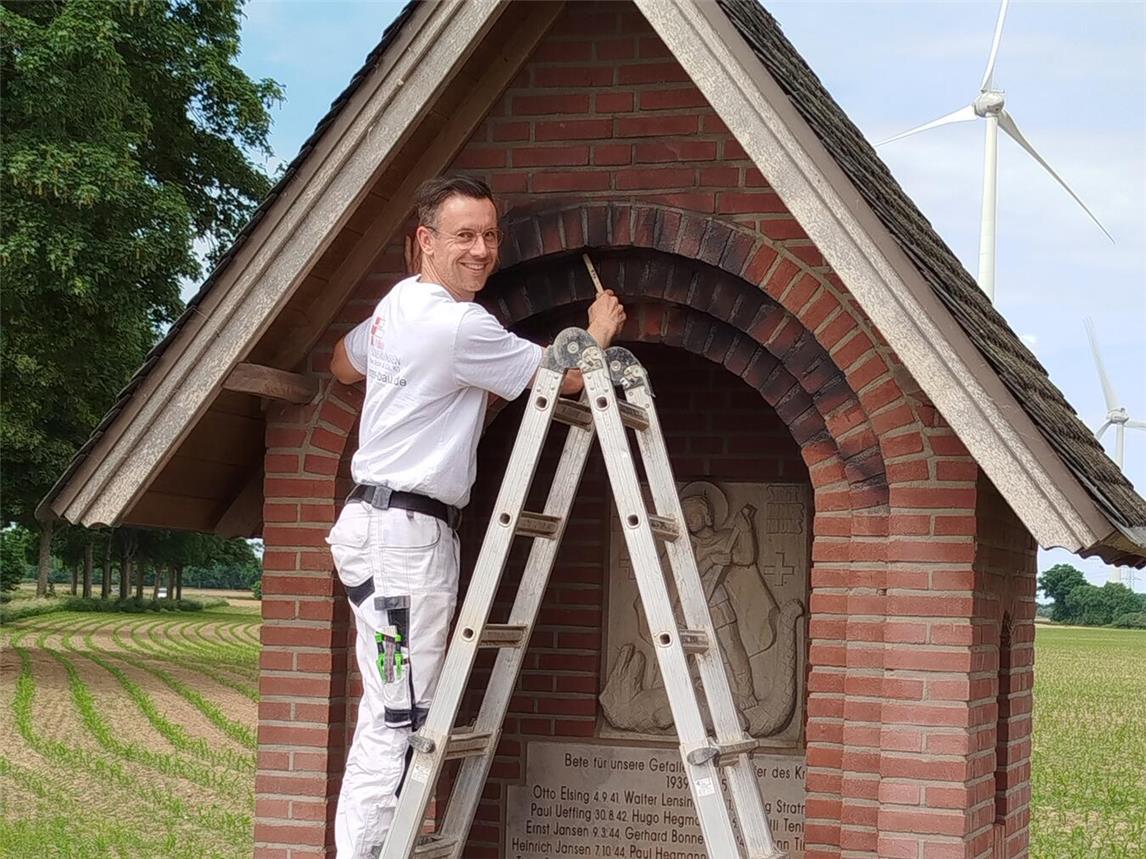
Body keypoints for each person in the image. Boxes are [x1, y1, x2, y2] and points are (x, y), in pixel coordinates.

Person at [325, 175, 625, 858]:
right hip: (403, 546)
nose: (483, 250)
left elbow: (343, 365)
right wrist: (597, 331)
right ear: (425, 241)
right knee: (399, 715)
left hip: (387, 534)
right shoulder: (460, 325)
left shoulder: (397, 306)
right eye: (464, 235)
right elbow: (563, 377)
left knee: (398, 705)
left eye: (489, 235)